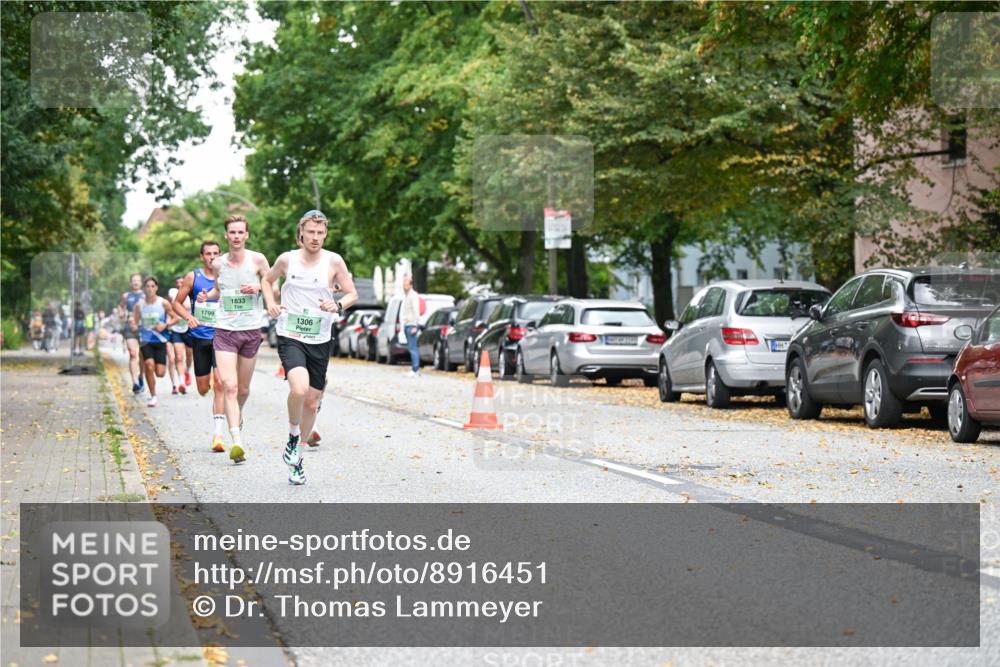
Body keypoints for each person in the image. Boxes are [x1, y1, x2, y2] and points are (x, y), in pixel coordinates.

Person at [263, 209, 358, 485]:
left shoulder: (333, 261)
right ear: (301, 232)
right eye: (311, 232)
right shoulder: (286, 259)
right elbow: (267, 281)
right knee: (299, 389)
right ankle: (294, 435)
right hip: (291, 333)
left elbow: (352, 292)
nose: (315, 237)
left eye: (320, 232)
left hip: (320, 337)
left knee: (313, 401)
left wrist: (337, 304)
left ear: (325, 233)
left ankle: (298, 458)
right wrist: (269, 301)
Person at [197, 216, 270, 464]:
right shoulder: (218, 264)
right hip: (225, 330)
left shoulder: (258, 260)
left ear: (246, 235)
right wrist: (208, 296)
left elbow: (273, 286)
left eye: (241, 232)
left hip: (250, 330)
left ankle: (237, 415)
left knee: (244, 389)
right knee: (229, 386)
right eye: (232, 232)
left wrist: (259, 287)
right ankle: (236, 441)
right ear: (226, 235)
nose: (237, 236)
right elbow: (220, 289)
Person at [173, 241, 228, 453]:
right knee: (203, 388)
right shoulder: (193, 277)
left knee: (221, 384)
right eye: (208, 254)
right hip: (199, 337)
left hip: (222, 336)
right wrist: (188, 317)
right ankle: (205, 387)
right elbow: (176, 302)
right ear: (201, 256)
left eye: (215, 253)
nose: (212, 257)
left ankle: (218, 434)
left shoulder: (227, 276)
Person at [131, 277, 178, 408]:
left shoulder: (163, 303)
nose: (150, 289)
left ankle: (154, 376)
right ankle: (153, 396)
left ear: (156, 288)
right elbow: (134, 320)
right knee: (149, 364)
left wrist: (165, 325)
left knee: (160, 373)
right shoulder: (139, 305)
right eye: (148, 286)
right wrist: (134, 326)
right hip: (145, 340)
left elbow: (176, 318)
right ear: (144, 288)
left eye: (153, 286)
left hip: (160, 340)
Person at [119, 273, 146, 394]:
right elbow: (121, 307)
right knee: (133, 353)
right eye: (133, 280)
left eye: (137, 281)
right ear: (130, 283)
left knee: (143, 357)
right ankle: (135, 382)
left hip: (143, 327)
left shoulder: (145, 295)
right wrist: (121, 314)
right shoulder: (126, 296)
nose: (135, 282)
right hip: (129, 327)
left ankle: (141, 377)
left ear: (141, 283)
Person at [166, 279, 192, 395]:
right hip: (177, 330)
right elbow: (178, 303)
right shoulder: (173, 292)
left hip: (189, 328)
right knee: (179, 356)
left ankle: (187, 371)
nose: (180, 284)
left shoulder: (191, 294)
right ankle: (181, 382)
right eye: (178, 282)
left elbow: (186, 305)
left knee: (190, 355)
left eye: (182, 282)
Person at [400, 274, 422, 376]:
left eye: (406, 284)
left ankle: (415, 369)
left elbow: (416, 311)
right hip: (407, 324)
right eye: (403, 284)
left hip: (411, 325)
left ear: (410, 285)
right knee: (411, 347)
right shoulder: (407, 295)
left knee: (413, 348)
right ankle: (414, 368)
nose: (404, 286)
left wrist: (415, 326)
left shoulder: (413, 296)